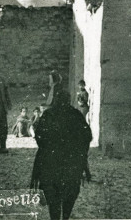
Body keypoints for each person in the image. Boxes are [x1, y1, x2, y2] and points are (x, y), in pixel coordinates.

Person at [30, 89, 92, 220]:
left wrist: (48, 148)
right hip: (71, 163)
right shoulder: (76, 115)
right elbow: (87, 136)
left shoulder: (48, 115)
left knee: (53, 197)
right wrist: (79, 153)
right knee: (70, 193)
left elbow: (39, 136)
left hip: (50, 163)